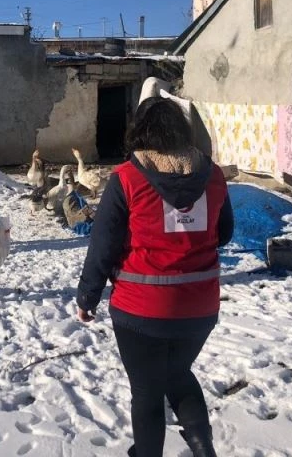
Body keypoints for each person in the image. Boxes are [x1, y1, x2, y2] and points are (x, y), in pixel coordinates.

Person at [75, 97, 234, 457]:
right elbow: (224, 233)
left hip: (141, 310)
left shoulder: (127, 179)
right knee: (177, 375)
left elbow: (104, 245)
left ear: (139, 131)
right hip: (200, 306)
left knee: (147, 391)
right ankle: (204, 450)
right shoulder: (213, 175)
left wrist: (87, 297)